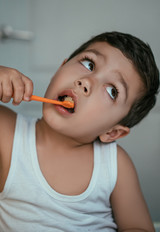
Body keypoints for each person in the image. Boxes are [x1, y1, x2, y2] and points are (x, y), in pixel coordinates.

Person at [0, 31, 159, 232]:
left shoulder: (115, 165)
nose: (87, 82)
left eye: (112, 91)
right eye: (89, 64)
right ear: (61, 68)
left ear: (113, 133)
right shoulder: (7, 133)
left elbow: (138, 228)